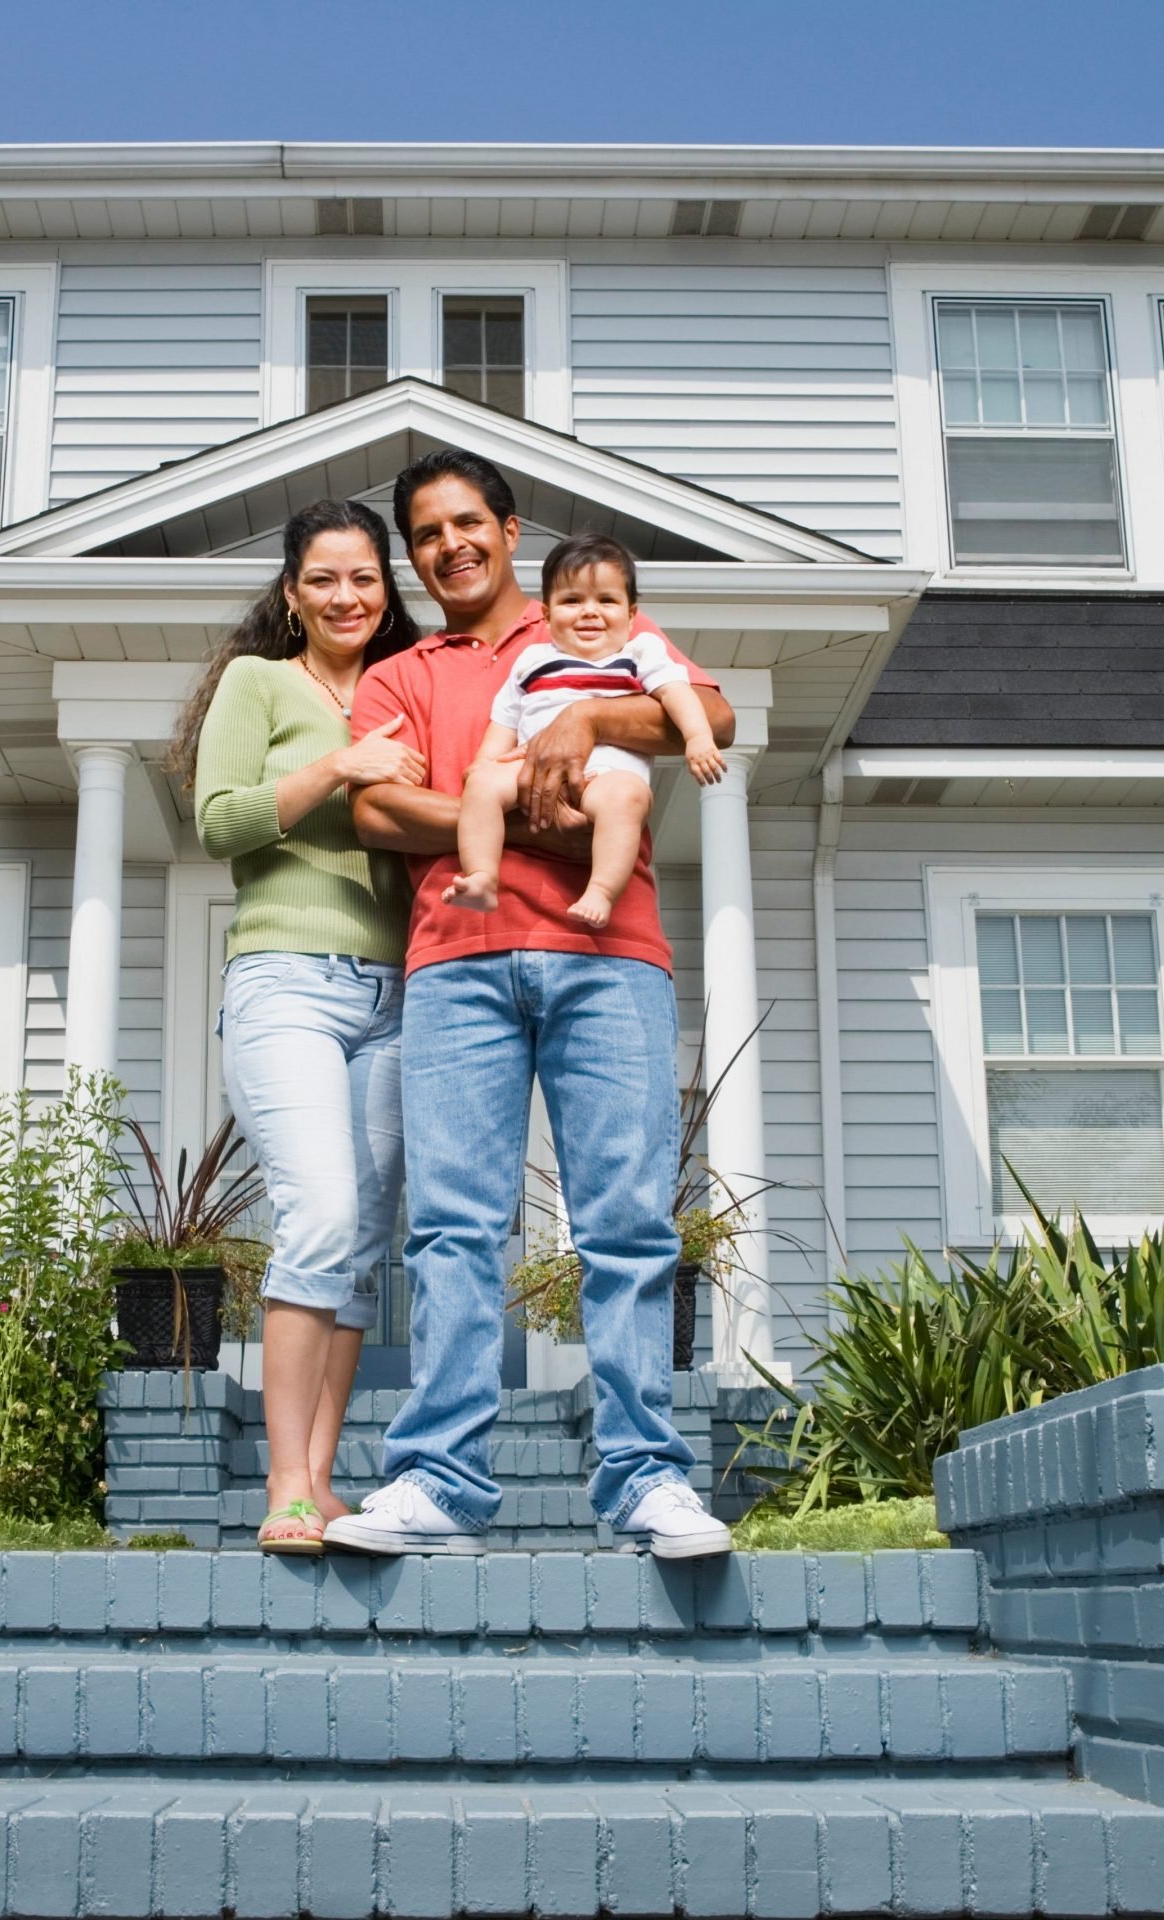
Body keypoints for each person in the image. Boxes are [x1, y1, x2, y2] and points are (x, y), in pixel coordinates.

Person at [323, 449, 738, 1560]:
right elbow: (375, 813)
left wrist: (586, 727)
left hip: (610, 954)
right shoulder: (402, 674)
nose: (447, 544)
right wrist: (511, 813)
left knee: (625, 1224)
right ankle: (438, 1482)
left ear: (509, 531)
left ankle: (646, 1480)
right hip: (456, 960)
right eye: (424, 533)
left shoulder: (583, 622)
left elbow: (709, 712)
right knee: (452, 1227)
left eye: (467, 522)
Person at [173, 499, 425, 1555]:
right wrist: (340, 766)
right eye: (323, 579)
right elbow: (218, 817)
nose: (345, 596)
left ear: (385, 587)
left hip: (395, 992)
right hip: (285, 980)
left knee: (360, 1243)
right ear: (292, 592)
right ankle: (281, 1486)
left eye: (364, 578)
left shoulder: (403, 689)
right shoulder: (258, 682)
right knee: (318, 1210)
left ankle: (323, 1484)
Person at [445, 532, 725, 928]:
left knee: (629, 797)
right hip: (532, 774)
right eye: (572, 600)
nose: (589, 612)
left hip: (606, 778)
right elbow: (504, 718)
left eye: (606, 600)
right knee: (482, 785)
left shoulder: (638, 654)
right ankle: (482, 877)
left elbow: (677, 693)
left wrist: (697, 737)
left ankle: (602, 889)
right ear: (546, 614)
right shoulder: (531, 660)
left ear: (631, 616)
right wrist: (483, 764)